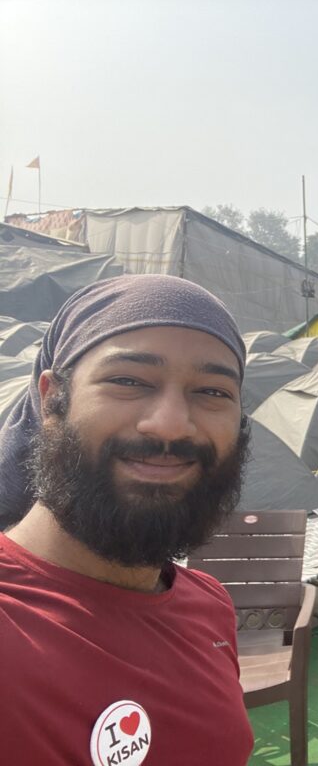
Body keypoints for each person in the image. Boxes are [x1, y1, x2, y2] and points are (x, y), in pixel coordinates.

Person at [0, 275, 255, 765]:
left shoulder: (209, 605)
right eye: (129, 381)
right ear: (53, 400)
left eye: (212, 392)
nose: (170, 424)